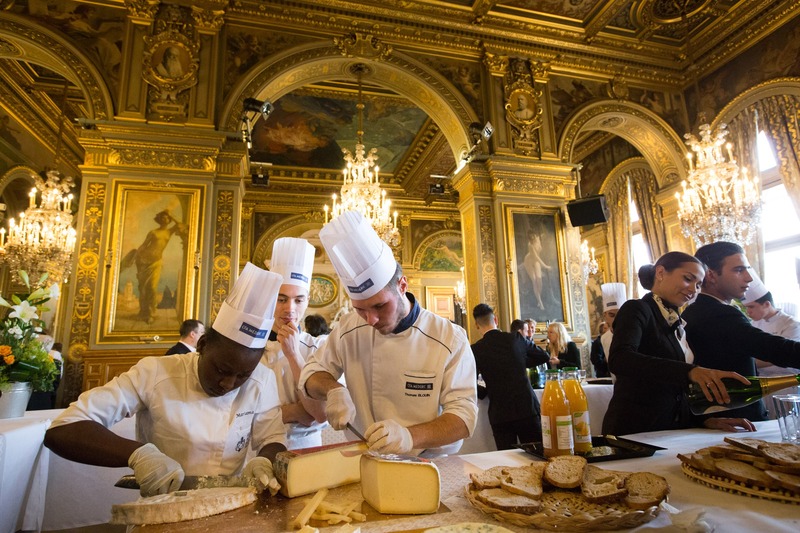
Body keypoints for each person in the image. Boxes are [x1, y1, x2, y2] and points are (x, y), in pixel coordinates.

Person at [44, 263, 287, 497]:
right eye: (221, 370)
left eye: (243, 375)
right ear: (202, 345)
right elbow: (62, 429)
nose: (228, 384)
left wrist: (265, 462)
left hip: (233, 503)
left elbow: (272, 439)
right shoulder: (156, 372)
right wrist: (138, 454)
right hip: (162, 505)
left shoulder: (262, 379)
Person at [299, 210, 478, 456]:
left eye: (380, 306)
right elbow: (310, 374)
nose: (370, 319)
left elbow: (463, 417)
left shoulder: (449, 338)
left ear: (402, 286)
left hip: (428, 463)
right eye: (360, 309)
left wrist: (409, 436)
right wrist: (333, 390)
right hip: (363, 459)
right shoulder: (349, 328)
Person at [602, 252, 755, 435]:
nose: (693, 289)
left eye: (698, 285)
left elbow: (672, 389)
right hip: (636, 428)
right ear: (660, 273)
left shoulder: (676, 320)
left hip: (671, 428)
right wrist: (690, 371)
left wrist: (704, 420)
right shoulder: (637, 308)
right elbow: (621, 359)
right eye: (688, 279)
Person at [683, 241, 800, 421]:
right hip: (736, 419)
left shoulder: (695, 310)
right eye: (739, 270)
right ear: (711, 275)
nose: (749, 278)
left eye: (747, 270)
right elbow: (771, 347)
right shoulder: (718, 313)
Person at [261, 237, 329, 449]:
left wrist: (293, 354)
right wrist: (292, 412)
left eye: (298, 300)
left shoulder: (319, 348)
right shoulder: (249, 346)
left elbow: (320, 413)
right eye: (281, 299)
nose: (290, 309)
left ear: (307, 301)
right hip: (256, 448)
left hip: (306, 449)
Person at [471, 304, 548, 450]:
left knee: (507, 458)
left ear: (476, 325)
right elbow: (543, 356)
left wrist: (484, 393)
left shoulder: (476, 349)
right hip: (526, 408)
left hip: (500, 413)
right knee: (537, 454)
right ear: (496, 319)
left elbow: (470, 382)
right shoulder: (516, 338)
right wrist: (519, 363)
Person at [120, 210, 186, 325]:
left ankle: (151, 314)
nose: (165, 219)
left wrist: (171, 215)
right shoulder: (153, 232)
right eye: (163, 217)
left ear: (169, 220)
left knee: (152, 287)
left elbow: (181, 225)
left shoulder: (169, 231)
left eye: (167, 218)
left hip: (156, 262)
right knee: (143, 288)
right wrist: (135, 257)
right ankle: (143, 313)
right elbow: (143, 245)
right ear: (159, 219)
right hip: (143, 261)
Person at [740, 272, 800, 376]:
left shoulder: (792, 325)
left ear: (767, 304)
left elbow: (783, 355)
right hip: (761, 378)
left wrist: (744, 362)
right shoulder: (753, 324)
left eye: (751, 307)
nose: (748, 311)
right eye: (746, 308)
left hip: (786, 380)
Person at [523, 232, 552, 310]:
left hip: (536, 261)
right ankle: (540, 302)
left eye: (534, 237)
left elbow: (543, 235)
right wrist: (545, 266)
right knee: (534, 280)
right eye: (531, 239)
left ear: (535, 236)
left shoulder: (539, 239)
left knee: (539, 280)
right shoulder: (530, 245)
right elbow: (536, 257)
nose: (533, 240)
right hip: (529, 261)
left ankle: (539, 299)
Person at [599, 282, 627, 359]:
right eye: (612, 315)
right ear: (605, 315)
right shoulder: (604, 338)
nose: (616, 319)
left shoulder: (634, 334)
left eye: (620, 314)